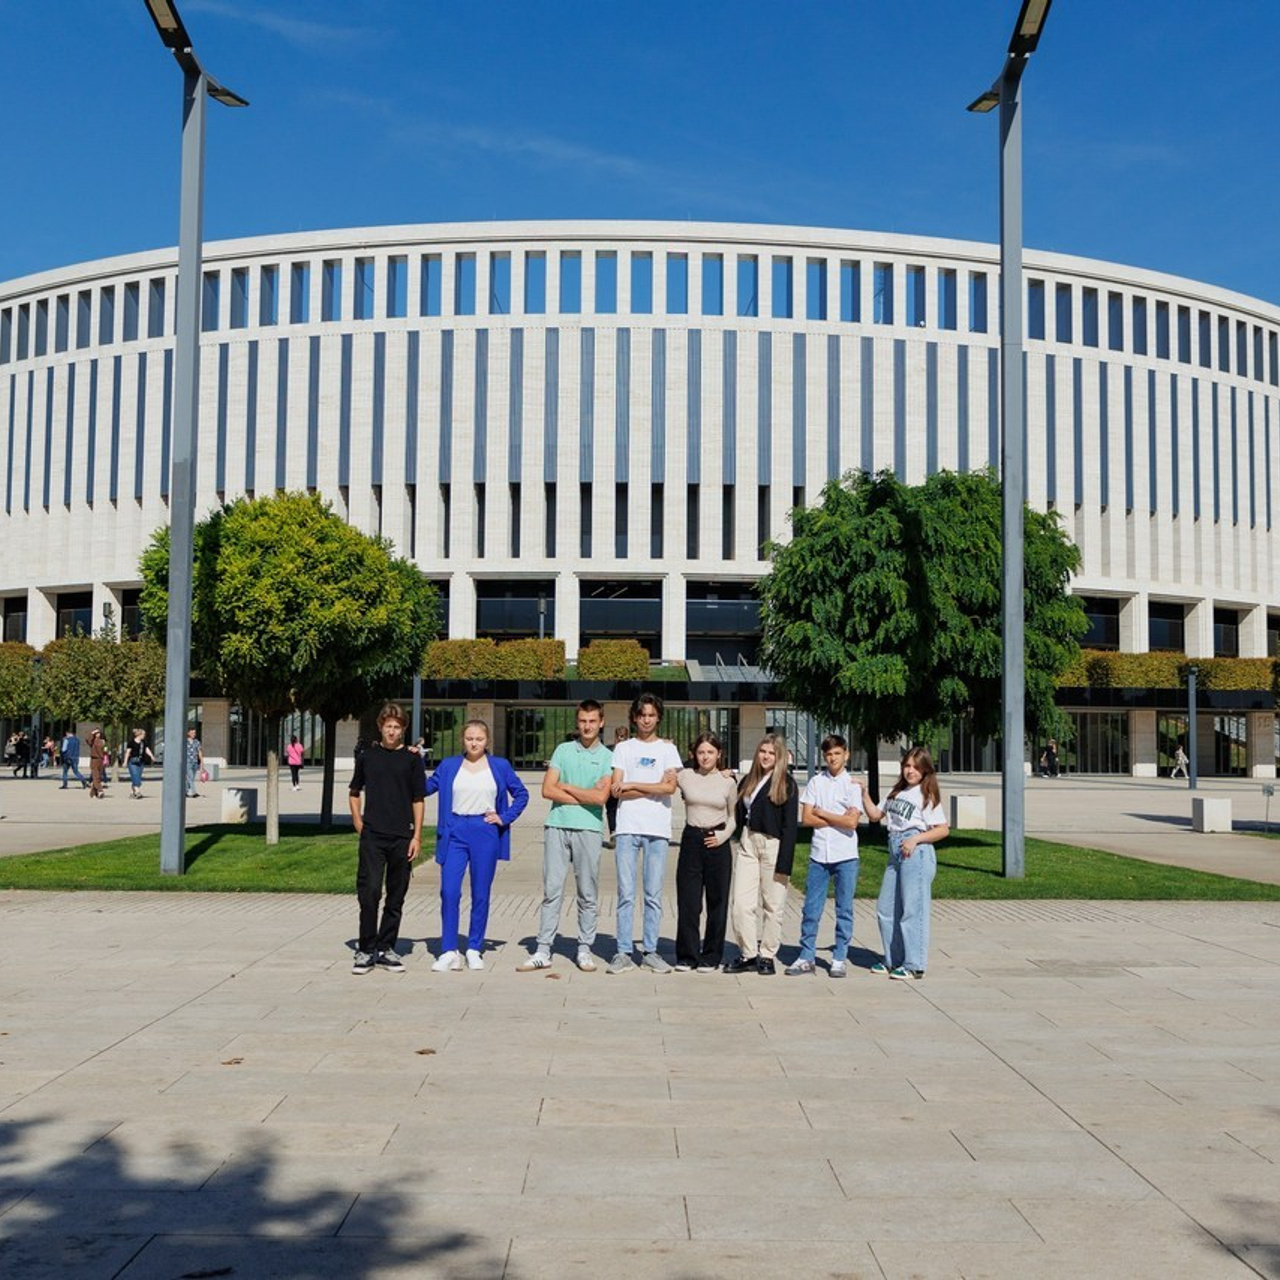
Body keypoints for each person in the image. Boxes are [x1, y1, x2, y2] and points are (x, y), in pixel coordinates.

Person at [425, 719, 528, 972]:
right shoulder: (450, 766)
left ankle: (473, 947)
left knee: (480, 893)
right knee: (449, 891)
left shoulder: (499, 766)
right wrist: (414, 762)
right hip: (454, 832)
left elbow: (522, 794)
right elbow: (424, 787)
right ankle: (449, 950)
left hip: (485, 832)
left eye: (479, 739)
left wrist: (504, 817)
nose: (474, 743)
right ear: (463, 738)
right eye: (470, 738)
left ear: (487, 741)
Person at [518, 699, 613, 972]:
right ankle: (543, 949)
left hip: (589, 830)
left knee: (587, 892)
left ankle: (584, 949)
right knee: (552, 890)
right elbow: (547, 790)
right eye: (583, 721)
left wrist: (567, 787)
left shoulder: (608, 757)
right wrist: (584, 796)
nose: (587, 726)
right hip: (557, 825)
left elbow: (600, 799)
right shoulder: (563, 750)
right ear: (577, 722)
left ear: (601, 722)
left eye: (592, 721)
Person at [608, 693, 683, 974]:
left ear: (658, 717)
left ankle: (650, 950)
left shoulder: (667, 750)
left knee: (653, 894)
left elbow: (670, 789)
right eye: (642, 715)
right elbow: (616, 788)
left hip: (657, 829)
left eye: (651, 715)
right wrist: (652, 785)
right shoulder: (624, 748)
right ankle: (623, 951)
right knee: (626, 893)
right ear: (635, 717)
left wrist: (632, 785)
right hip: (628, 828)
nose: (647, 720)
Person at [348, 703, 424, 975]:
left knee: (396, 895)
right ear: (381, 727)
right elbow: (354, 791)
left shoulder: (413, 759)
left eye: (397, 727)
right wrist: (357, 820)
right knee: (369, 892)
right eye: (388, 726)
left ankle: (387, 948)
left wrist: (417, 835)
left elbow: (418, 799)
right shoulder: (367, 756)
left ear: (403, 730)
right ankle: (366, 949)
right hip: (373, 836)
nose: (392, 731)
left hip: (402, 836)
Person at [861, 747, 949, 981]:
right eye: (907, 766)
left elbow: (942, 829)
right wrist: (863, 792)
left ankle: (914, 964)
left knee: (913, 910)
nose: (910, 771)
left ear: (925, 770)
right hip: (895, 851)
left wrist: (915, 839)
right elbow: (874, 815)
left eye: (915, 767)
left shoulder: (926, 794)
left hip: (916, 852)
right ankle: (893, 959)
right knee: (886, 908)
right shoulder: (897, 791)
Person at [786, 734, 863, 978]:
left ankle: (840, 956)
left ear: (846, 754)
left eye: (837, 753)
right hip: (820, 854)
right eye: (829, 754)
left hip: (846, 855)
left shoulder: (853, 785)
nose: (833, 758)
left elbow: (852, 823)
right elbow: (807, 818)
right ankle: (806, 955)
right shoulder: (816, 782)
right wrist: (835, 817)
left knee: (844, 909)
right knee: (811, 908)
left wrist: (824, 813)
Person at [726, 734, 798, 975]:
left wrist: (784, 863)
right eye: (762, 751)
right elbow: (737, 811)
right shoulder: (748, 780)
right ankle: (748, 953)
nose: (766, 756)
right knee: (741, 904)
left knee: (772, 905)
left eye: (771, 753)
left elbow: (790, 827)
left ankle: (767, 955)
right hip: (748, 842)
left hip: (773, 845)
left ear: (779, 757)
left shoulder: (786, 783)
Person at [673, 732, 738, 972]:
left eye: (710, 752)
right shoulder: (685, 776)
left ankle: (711, 955)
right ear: (694, 754)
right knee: (689, 901)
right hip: (691, 840)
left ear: (719, 754)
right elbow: (663, 774)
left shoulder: (728, 781)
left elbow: (734, 817)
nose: (705, 757)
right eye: (701, 752)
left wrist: (723, 836)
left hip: (717, 841)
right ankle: (687, 955)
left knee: (717, 901)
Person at [603, 725, 629, 848]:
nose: (621, 739)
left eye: (623, 736)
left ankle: (623, 833)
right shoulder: (608, 750)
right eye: (619, 737)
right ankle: (613, 833)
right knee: (611, 809)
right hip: (611, 783)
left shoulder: (631, 750)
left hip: (625, 784)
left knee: (624, 809)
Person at [124, 728, 155, 799]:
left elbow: (147, 749)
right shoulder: (131, 742)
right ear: (139, 735)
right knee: (135, 776)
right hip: (132, 762)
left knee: (137, 776)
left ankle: (133, 792)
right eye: (143, 734)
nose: (144, 736)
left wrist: (151, 756)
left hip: (141, 762)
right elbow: (128, 752)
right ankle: (137, 791)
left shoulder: (143, 742)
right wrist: (125, 762)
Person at [87, 728, 107, 800]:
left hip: (101, 760)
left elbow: (105, 750)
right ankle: (100, 790)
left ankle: (93, 792)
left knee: (98, 776)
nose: (98, 734)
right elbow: (88, 739)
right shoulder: (93, 742)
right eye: (96, 733)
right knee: (95, 776)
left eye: (98, 733)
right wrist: (92, 733)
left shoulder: (102, 741)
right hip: (94, 759)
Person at [184, 727, 203, 798]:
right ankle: (194, 792)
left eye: (194, 733)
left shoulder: (197, 742)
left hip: (195, 762)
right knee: (190, 777)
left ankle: (185, 792)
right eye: (192, 732)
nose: (193, 734)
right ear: (188, 733)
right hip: (187, 762)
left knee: (190, 778)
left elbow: (200, 752)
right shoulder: (184, 742)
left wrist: (201, 762)